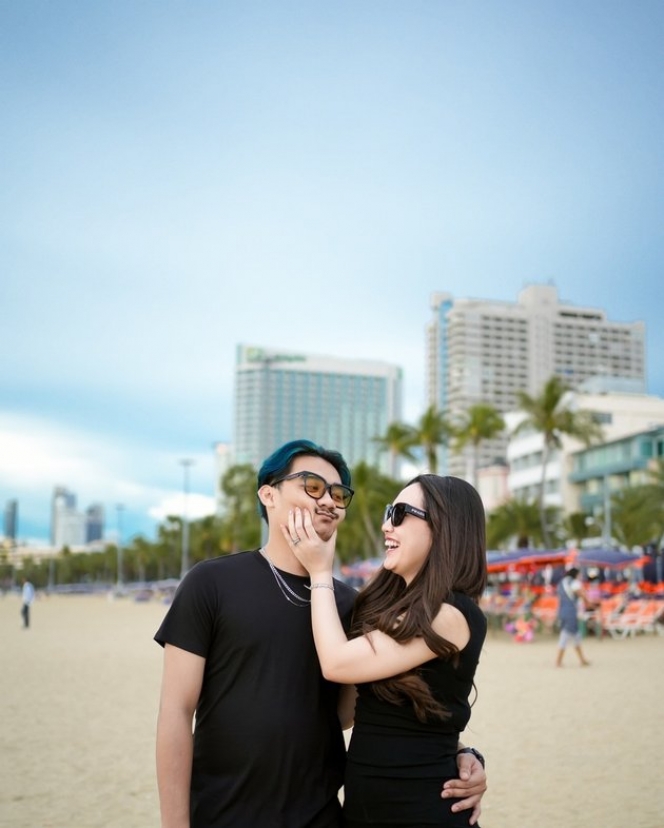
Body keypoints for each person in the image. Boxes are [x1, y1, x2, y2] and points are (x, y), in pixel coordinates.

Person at [154, 440, 487, 828]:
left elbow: (364, 710)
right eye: (312, 487)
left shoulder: (350, 605)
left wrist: (463, 754)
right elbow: (176, 713)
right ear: (268, 494)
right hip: (224, 811)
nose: (328, 500)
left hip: (324, 816)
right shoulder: (210, 583)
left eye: (338, 493)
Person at [286, 473, 488, 828]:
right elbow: (354, 715)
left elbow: (336, 664)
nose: (385, 526)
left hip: (422, 813)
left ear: (444, 527)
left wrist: (320, 571)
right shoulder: (392, 609)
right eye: (386, 512)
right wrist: (465, 752)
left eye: (399, 513)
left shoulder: (454, 614)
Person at [555, 566, 591, 667]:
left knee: (575, 635)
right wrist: (588, 603)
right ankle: (558, 661)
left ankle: (582, 660)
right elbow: (580, 594)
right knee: (566, 635)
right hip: (570, 611)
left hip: (562, 610)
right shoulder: (574, 582)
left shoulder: (561, 583)